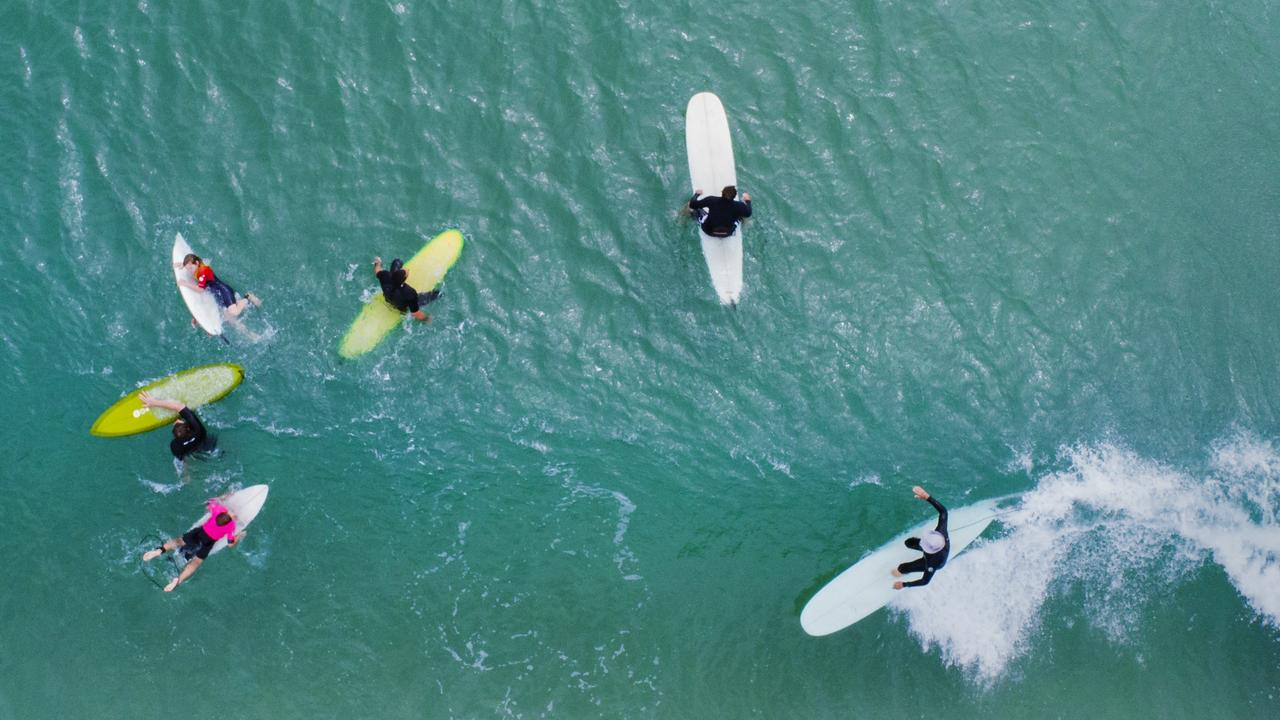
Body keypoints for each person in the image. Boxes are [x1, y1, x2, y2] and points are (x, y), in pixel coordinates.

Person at [142, 494, 244, 592]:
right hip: (208, 542)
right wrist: (239, 536)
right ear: (231, 520)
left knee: (179, 541)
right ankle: (178, 580)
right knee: (196, 562)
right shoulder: (231, 527)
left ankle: (160, 550)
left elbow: (210, 501)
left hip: (198, 533)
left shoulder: (218, 510)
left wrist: (224, 497)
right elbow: (230, 544)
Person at [892, 485, 950, 589]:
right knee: (908, 543)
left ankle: (898, 573)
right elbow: (943, 512)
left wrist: (904, 584)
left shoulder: (933, 563)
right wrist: (928, 497)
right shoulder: (941, 532)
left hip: (931, 559)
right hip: (933, 549)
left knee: (903, 567)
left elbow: (925, 581)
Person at [177, 253, 261, 320]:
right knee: (229, 318)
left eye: (190, 268)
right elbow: (196, 259)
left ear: (197, 263)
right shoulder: (198, 264)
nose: (190, 271)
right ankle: (249, 333)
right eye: (188, 269)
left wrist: (185, 283)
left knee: (233, 312)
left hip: (224, 291)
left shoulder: (203, 272)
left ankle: (247, 298)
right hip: (217, 293)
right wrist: (183, 264)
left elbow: (200, 290)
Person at [139, 391, 215, 460]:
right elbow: (178, 405)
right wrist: (154, 402)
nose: (177, 420)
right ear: (188, 428)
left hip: (191, 451)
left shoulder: (175, 446)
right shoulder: (198, 430)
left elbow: (181, 458)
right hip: (207, 445)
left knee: (186, 454)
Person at [373, 256, 440, 322]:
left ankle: (398, 261)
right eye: (405, 272)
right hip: (401, 308)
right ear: (404, 279)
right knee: (436, 294)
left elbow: (377, 271)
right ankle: (437, 294)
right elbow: (415, 314)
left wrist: (377, 263)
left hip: (388, 298)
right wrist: (427, 319)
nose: (407, 270)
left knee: (397, 262)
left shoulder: (385, 275)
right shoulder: (409, 292)